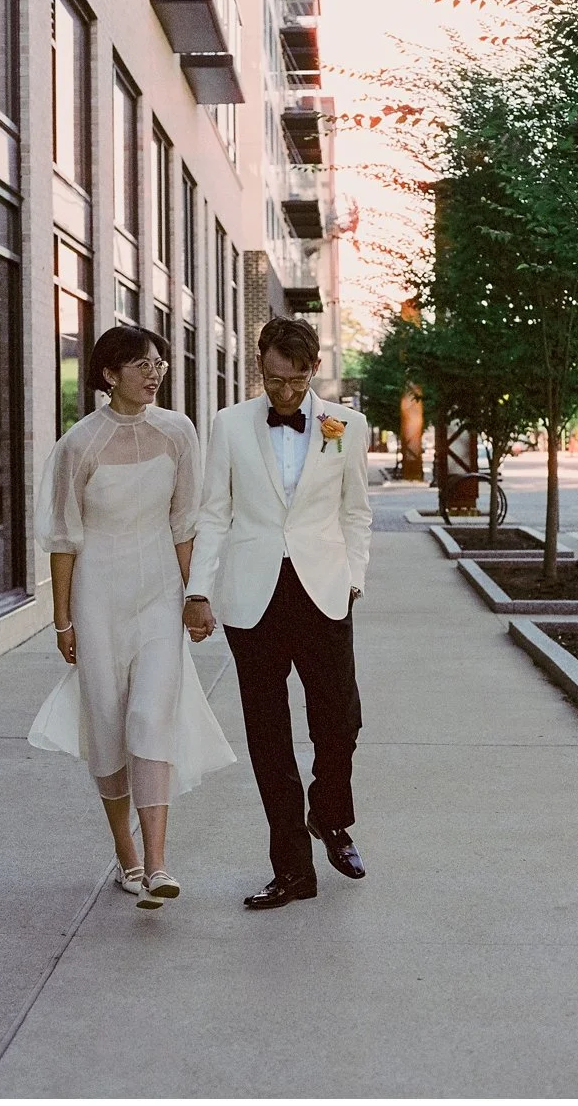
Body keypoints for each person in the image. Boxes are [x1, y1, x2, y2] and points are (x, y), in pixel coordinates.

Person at [32, 325, 235, 910]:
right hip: (97, 596)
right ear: (108, 375)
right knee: (106, 724)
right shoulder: (79, 444)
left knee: (150, 714)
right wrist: (62, 620)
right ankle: (128, 856)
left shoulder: (178, 433)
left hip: (159, 597)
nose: (155, 373)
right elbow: (63, 540)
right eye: (143, 364)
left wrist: (197, 595)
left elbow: (184, 524)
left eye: (159, 364)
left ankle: (159, 865)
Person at [183, 317, 372, 910]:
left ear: (312, 369)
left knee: (340, 720)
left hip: (323, 591)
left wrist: (354, 579)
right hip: (252, 594)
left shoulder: (347, 425)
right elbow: (214, 513)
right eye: (271, 380)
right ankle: (292, 870)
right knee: (269, 737)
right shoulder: (229, 424)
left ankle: (331, 816)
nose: (282, 393)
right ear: (258, 368)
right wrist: (198, 590)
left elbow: (356, 512)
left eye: (292, 383)